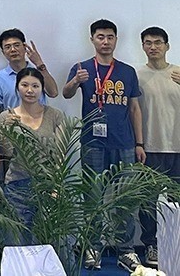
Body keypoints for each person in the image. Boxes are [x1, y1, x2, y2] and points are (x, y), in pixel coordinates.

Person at [62, 19, 144, 272]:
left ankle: (126, 250)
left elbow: (134, 108)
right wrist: (76, 81)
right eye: (100, 37)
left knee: (126, 198)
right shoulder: (82, 68)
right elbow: (66, 94)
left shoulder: (127, 71)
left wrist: (139, 143)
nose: (105, 41)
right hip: (93, 143)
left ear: (116, 40)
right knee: (93, 197)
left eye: (110, 37)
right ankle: (93, 246)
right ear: (92, 39)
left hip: (124, 143)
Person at [0, 67, 68, 233]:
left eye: (35, 86)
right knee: (19, 235)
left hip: (48, 183)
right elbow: (7, 153)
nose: (30, 90)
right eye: (25, 85)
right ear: (17, 87)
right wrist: (7, 129)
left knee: (47, 235)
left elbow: (61, 153)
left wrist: (56, 185)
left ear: (42, 89)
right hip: (17, 184)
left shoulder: (55, 115)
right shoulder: (6, 116)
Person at [136, 26, 180, 268]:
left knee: (177, 203)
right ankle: (150, 245)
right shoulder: (136, 76)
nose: (153, 47)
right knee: (147, 202)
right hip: (149, 148)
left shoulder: (178, 72)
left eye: (158, 42)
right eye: (148, 42)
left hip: (178, 148)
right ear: (143, 46)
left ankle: (176, 246)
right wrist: (138, 143)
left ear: (167, 46)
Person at [0, 28, 58, 113]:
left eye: (16, 45)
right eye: (8, 47)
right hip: (13, 121)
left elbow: (53, 93)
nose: (13, 50)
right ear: (3, 52)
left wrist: (39, 63)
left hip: (41, 119)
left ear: (25, 47)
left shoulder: (38, 72)